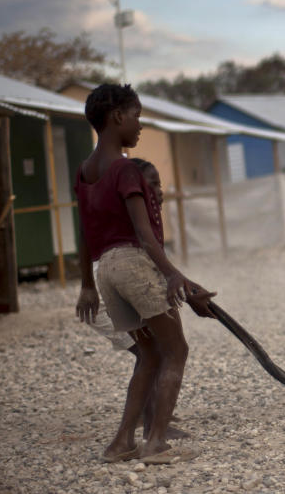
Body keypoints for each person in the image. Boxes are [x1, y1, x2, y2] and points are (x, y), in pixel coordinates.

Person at [74, 83, 215, 464]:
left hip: (107, 272)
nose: (140, 125)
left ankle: (121, 444)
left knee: (149, 354)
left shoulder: (85, 171)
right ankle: (154, 444)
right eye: (136, 116)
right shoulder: (125, 169)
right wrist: (173, 275)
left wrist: (88, 284)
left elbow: (85, 232)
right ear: (117, 116)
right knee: (176, 350)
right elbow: (144, 233)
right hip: (135, 264)